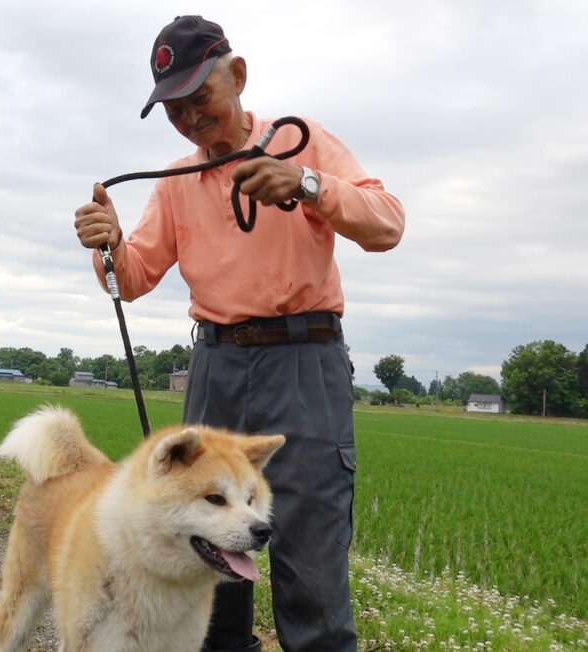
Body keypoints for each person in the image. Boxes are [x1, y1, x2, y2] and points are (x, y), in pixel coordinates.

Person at [73, 15, 405, 652]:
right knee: (206, 549)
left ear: (239, 76)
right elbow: (134, 277)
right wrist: (109, 243)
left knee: (309, 547)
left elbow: (387, 224)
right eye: (174, 110)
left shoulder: (301, 143)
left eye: (201, 100)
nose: (191, 120)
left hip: (304, 364)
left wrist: (307, 185)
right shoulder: (175, 184)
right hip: (217, 367)